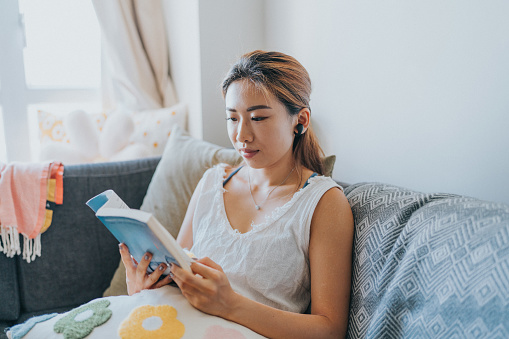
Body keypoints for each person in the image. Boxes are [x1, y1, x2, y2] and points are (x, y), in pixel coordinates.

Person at [119, 50, 354, 338]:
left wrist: (231, 305)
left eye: (257, 117)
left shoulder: (323, 202)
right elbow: (177, 274)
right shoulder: (211, 183)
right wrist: (144, 287)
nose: (242, 135)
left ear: (300, 120)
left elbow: (330, 330)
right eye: (232, 118)